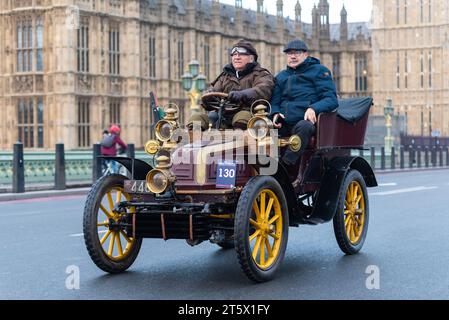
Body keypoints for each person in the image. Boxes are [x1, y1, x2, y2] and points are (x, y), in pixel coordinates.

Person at [270, 39, 338, 168]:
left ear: (306, 55)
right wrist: (275, 113)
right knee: (261, 129)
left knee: (304, 127)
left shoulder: (319, 71)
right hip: (284, 122)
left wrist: (313, 108)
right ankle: (262, 165)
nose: (293, 56)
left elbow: (331, 99)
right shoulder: (281, 76)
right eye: (289, 53)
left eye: (297, 52)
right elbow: (275, 101)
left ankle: (285, 166)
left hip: (305, 121)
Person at [188, 39, 274, 130]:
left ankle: (240, 142)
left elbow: (263, 90)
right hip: (223, 117)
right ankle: (195, 140)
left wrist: (243, 94)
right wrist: (207, 96)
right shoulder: (225, 76)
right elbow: (214, 90)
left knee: (242, 117)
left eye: (241, 54)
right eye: (234, 55)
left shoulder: (261, 74)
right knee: (196, 118)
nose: (236, 57)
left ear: (251, 58)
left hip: (250, 117)